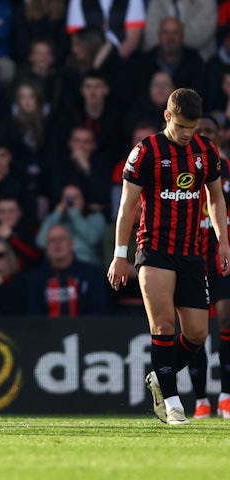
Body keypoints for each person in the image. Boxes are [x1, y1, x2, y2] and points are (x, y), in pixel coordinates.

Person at [108, 88, 230, 425]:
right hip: (155, 250)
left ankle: (160, 378)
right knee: (163, 325)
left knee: (197, 333)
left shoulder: (206, 151)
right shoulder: (146, 151)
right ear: (167, 117)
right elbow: (127, 206)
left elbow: (216, 198)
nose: (187, 134)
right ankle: (173, 404)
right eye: (181, 127)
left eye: (192, 128)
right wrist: (121, 255)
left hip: (192, 254)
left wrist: (223, 241)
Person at [186, 115, 230, 419]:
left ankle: (226, 395)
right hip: (190, 259)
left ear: (220, 135)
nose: (204, 135)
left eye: (209, 131)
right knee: (195, 332)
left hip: (220, 259)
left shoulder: (226, 170)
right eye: (199, 131)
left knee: (226, 321)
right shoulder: (181, 169)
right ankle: (201, 399)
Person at [27, 224, 108, 316]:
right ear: (47, 248)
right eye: (52, 240)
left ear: (71, 243)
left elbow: (99, 310)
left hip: (84, 329)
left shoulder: (92, 274)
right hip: (47, 329)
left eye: (62, 239)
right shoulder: (35, 278)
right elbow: (34, 315)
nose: (57, 244)